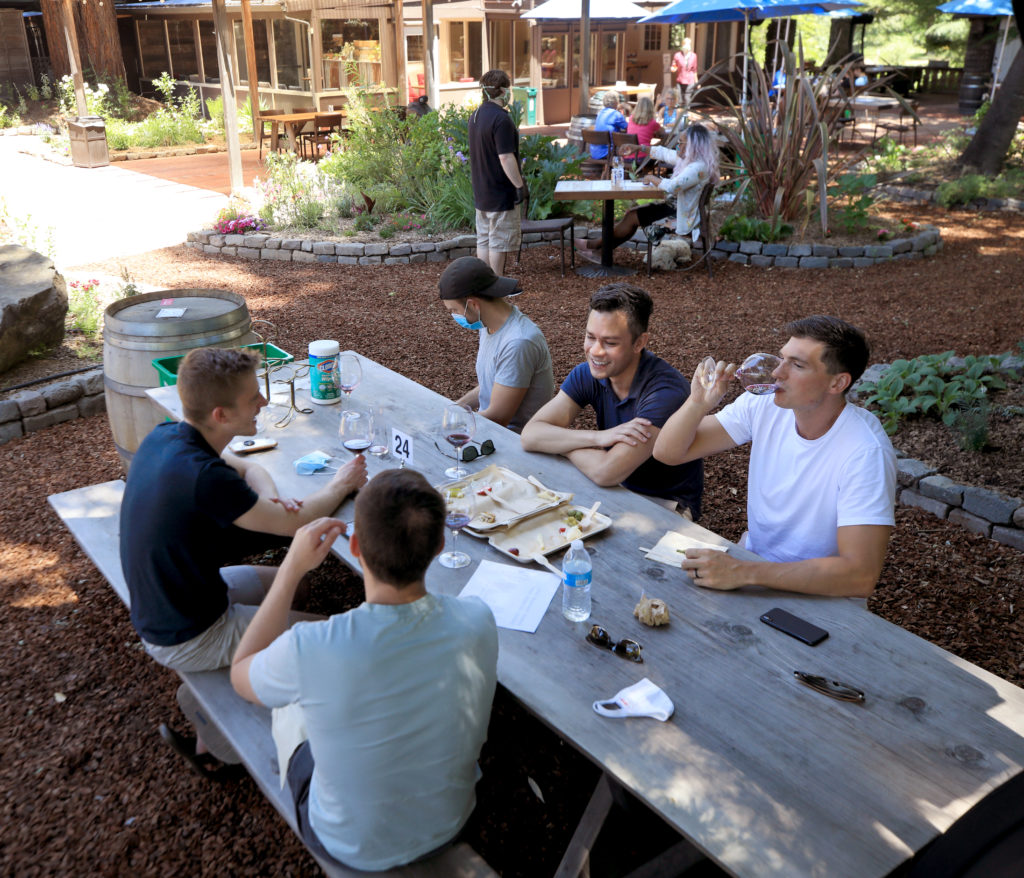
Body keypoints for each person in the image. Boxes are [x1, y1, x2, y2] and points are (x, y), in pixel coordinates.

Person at [231, 469, 498, 872]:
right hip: (450, 822)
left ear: (354, 546)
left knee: (292, 707)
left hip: (346, 843)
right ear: (440, 545)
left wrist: (289, 570)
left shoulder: (312, 646)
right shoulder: (477, 619)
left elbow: (241, 675)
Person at [120, 347, 366, 771]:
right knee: (345, 644)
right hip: (189, 634)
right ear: (220, 415)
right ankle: (228, 733)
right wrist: (343, 482)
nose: (264, 402)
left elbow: (237, 465)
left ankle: (274, 668)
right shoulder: (204, 479)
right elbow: (302, 520)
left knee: (301, 585)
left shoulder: (170, 435)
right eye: (254, 398)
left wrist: (259, 481)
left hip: (176, 600)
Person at [652, 316, 897, 597]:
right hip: (751, 570)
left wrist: (742, 572)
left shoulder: (865, 452)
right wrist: (698, 403)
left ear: (837, 383)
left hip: (819, 596)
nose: (778, 373)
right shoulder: (765, 405)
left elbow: (859, 576)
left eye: (797, 365)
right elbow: (667, 453)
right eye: (781, 358)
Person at [521, 284, 703, 518]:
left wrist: (562, 445)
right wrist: (597, 438)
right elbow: (530, 435)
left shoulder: (665, 392)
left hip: (664, 504)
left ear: (639, 343)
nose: (595, 351)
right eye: (590, 337)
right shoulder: (587, 373)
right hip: (611, 487)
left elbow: (607, 471)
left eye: (610, 342)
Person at [438, 256, 554, 433]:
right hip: (489, 429)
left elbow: (498, 418)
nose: (455, 316)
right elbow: (492, 384)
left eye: (454, 310)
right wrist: (455, 408)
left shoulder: (518, 342)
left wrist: (451, 424)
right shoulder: (488, 325)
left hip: (516, 442)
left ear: (474, 305)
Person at [576, 123, 719, 263]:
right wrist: (638, 147)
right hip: (677, 208)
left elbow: (672, 187)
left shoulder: (697, 168)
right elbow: (665, 153)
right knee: (632, 215)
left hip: (680, 215)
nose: (678, 147)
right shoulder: (692, 161)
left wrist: (651, 177)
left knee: (632, 217)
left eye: (681, 143)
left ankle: (598, 248)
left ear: (692, 147)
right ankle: (599, 249)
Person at [468, 68, 526, 275]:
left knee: (484, 238)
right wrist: (519, 185)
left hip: (481, 188)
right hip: (500, 190)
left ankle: (484, 282)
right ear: (502, 90)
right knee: (499, 240)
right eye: (508, 88)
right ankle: (498, 284)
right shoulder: (502, 119)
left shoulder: (475, 116)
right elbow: (505, 156)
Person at [590, 91, 628, 160]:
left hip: (594, 152)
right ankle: (620, 169)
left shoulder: (600, 113)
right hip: (608, 152)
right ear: (616, 102)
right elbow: (627, 127)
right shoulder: (616, 114)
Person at [625, 96, 664, 161]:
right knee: (660, 148)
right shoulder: (652, 122)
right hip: (644, 157)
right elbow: (663, 132)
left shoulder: (631, 118)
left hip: (628, 155)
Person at [670, 37, 698, 110]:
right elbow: (674, 65)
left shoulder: (694, 56)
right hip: (680, 79)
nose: (687, 46)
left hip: (690, 80)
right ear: (682, 45)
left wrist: (697, 82)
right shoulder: (677, 55)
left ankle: (686, 117)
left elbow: (694, 69)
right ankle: (678, 117)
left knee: (687, 98)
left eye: (689, 44)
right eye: (685, 44)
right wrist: (673, 68)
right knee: (679, 99)